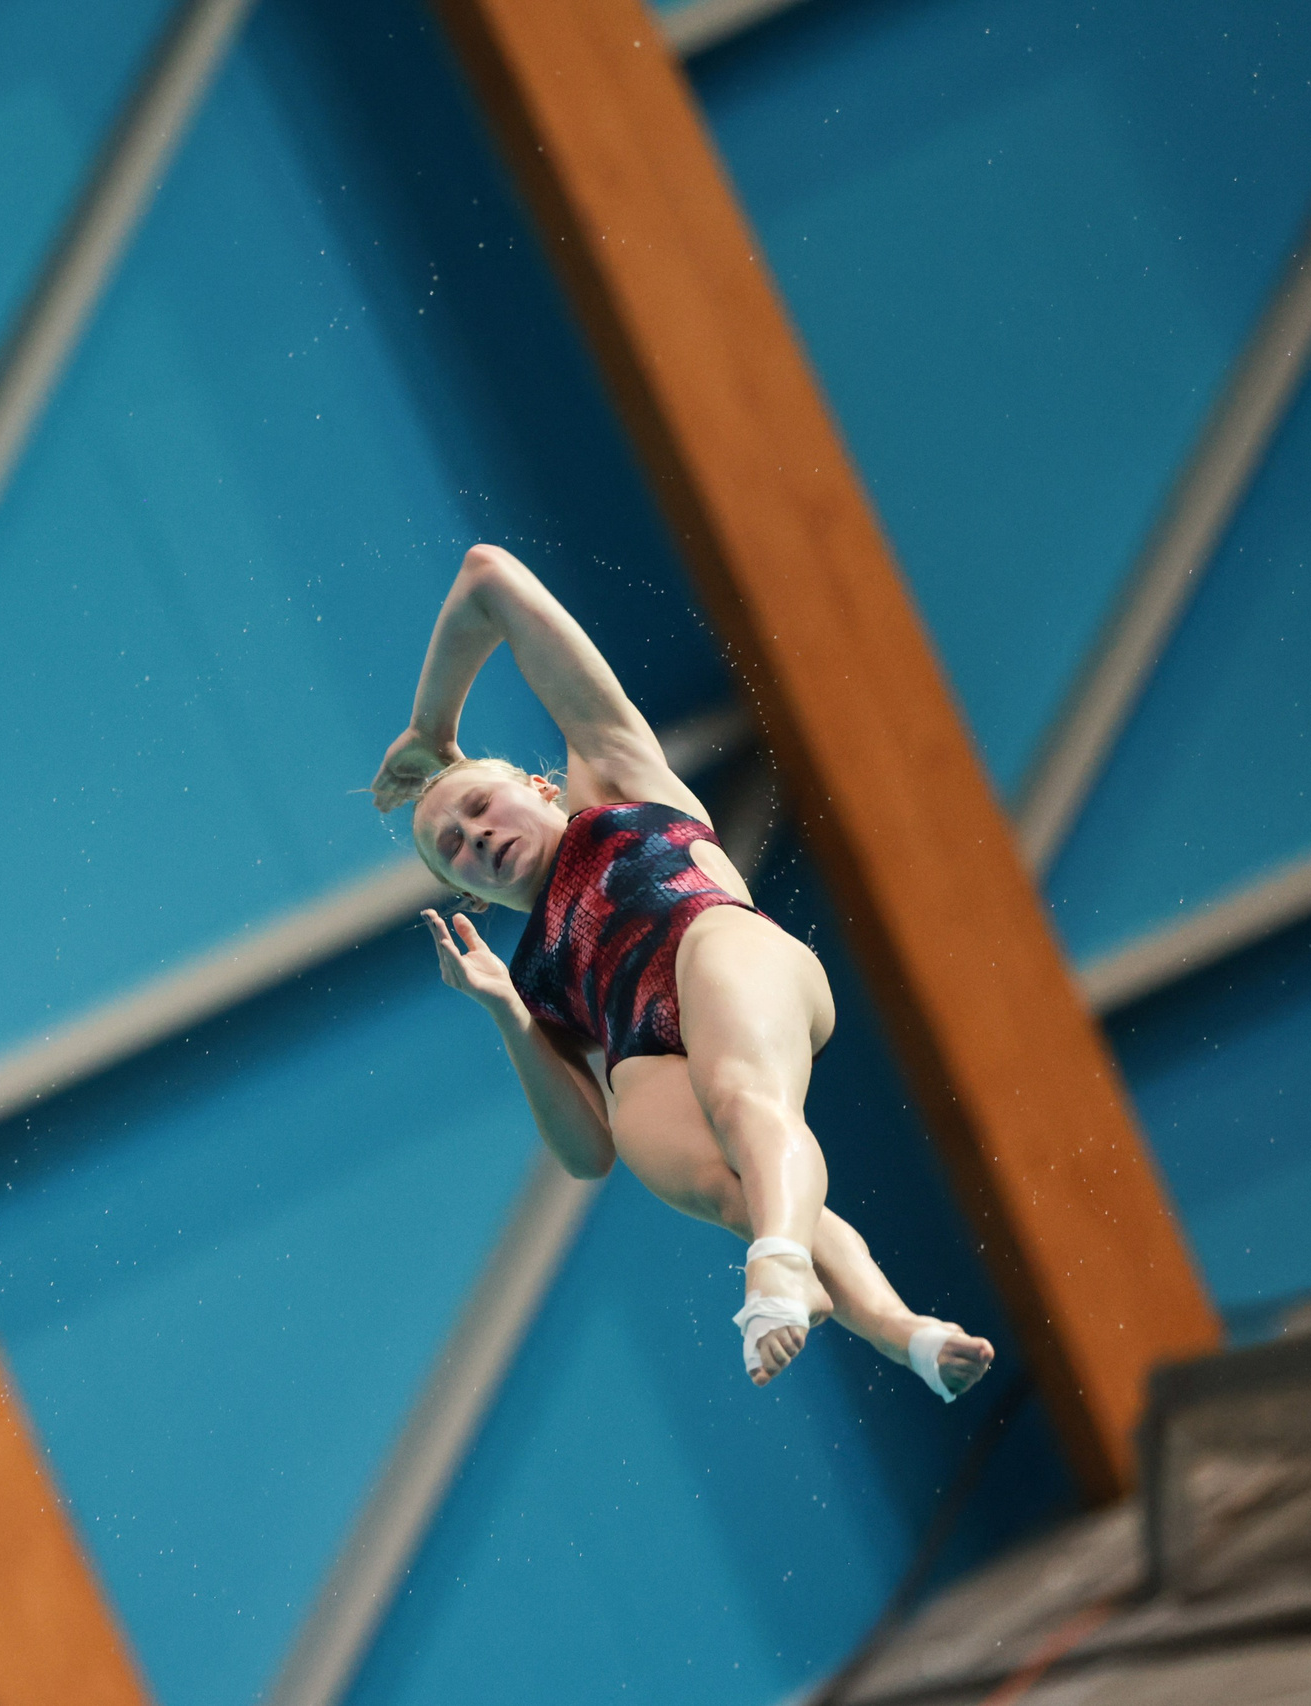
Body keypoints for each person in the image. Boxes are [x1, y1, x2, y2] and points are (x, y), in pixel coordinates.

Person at [371, 543, 993, 1399]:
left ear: (544, 788)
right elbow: (586, 1155)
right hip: (645, 1043)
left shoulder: (614, 779)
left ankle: (775, 1268)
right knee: (703, 1171)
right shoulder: (536, 983)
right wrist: (509, 1016)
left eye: (479, 804)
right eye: (453, 849)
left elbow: (487, 577)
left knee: (744, 1101)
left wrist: (433, 728)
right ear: (467, 896)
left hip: (725, 949)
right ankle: (904, 1334)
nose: (473, 835)